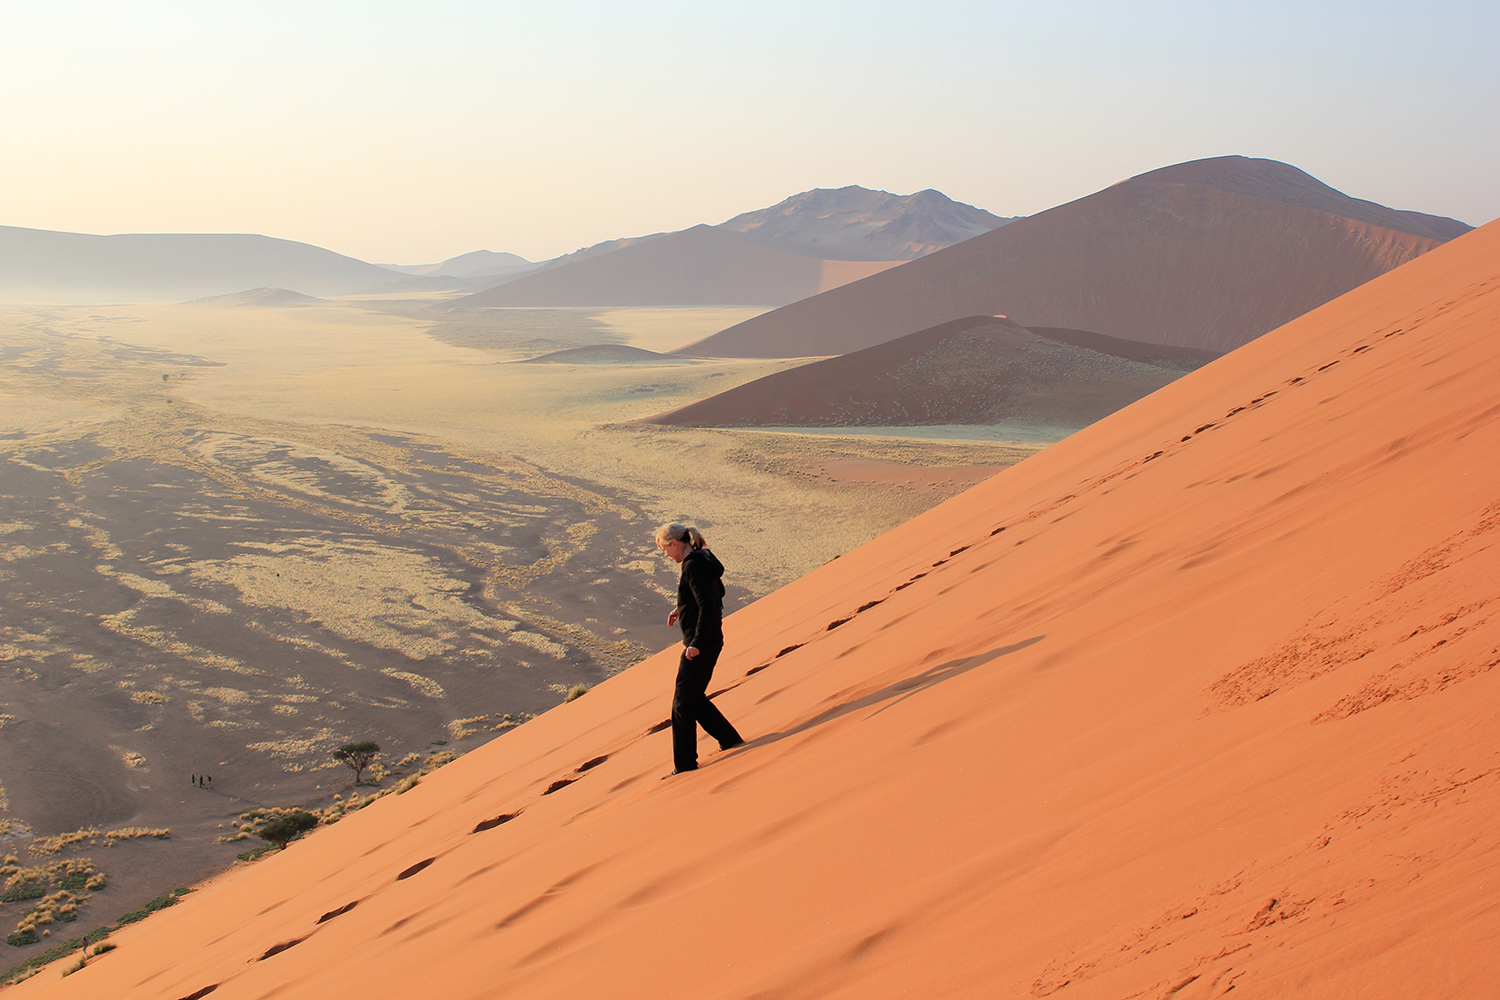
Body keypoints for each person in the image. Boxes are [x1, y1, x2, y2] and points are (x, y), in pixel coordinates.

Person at [656, 522, 744, 774]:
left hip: (701, 644)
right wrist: (682, 609)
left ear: (675, 544)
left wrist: (695, 643)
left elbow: (707, 605)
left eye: (665, 549)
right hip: (710, 640)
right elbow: (715, 593)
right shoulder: (703, 559)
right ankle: (729, 739)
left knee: (682, 704)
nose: (665, 555)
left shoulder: (692, 565)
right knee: (694, 699)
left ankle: (684, 766)